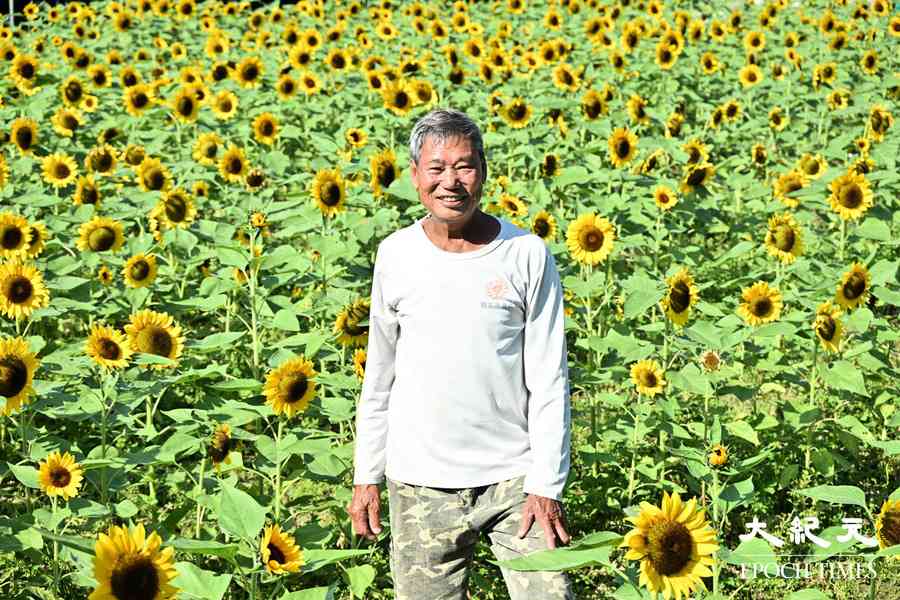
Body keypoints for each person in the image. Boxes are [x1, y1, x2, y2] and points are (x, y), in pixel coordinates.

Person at [347, 108, 573, 600]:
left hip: (515, 479)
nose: (451, 182)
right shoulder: (397, 255)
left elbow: (550, 379)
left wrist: (547, 485)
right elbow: (378, 377)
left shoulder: (525, 253)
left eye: (464, 166)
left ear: (484, 171)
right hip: (419, 483)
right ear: (414, 176)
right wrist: (366, 477)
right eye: (436, 168)